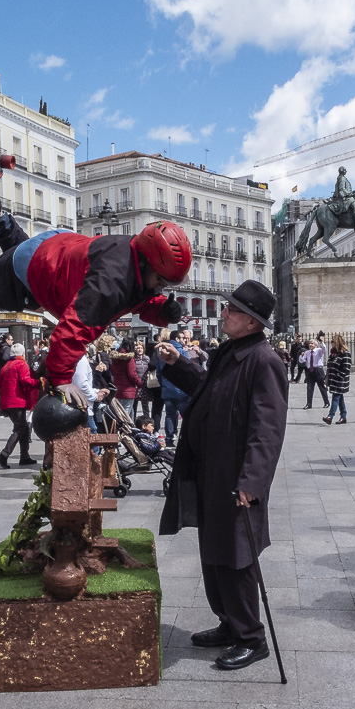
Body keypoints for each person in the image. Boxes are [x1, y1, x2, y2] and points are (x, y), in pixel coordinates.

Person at [158, 280, 288, 671]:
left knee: (237, 557)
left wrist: (252, 482)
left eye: (231, 310)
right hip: (210, 472)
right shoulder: (230, 352)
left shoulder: (263, 360)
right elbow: (206, 391)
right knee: (214, 553)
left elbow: (268, 429)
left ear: (251, 321)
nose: (224, 313)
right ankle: (229, 623)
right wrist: (177, 364)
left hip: (236, 479)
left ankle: (251, 637)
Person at [0, 201, 190, 406]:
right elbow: (72, 331)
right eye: (160, 280)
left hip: (57, 245)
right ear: (145, 264)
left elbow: (137, 298)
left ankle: (0, 215)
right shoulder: (109, 287)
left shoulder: (133, 254)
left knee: (16, 253)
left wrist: (162, 310)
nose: (161, 287)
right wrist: (61, 380)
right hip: (37, 265)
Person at [0, 343, 40, 468]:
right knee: (20, 428)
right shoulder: (21, 364)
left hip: (7, 402)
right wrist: (39, 382)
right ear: (23, 353)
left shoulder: (6, 366)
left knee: (24, 428)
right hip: (17, 401)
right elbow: (25, 381)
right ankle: (4, 455)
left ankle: (24, 456)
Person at [157, 329, 190, 447]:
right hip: (181, 390)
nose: (184, 340)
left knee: (170, 415)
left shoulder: (163, 352)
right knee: (186, 415)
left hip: (167, 389)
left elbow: (158, 373)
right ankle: (186, 438)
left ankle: (169, 439)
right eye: (182, 338)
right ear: (177, 339)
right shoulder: (181, 351)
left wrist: (163, 385)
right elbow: (188, 370)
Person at [110, 337, 142, 419]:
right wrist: (140, 383)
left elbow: (113, 372)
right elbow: (132, 375)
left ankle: (131, 430)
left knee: (129, 413)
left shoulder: (115, 357)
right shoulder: (129, 358)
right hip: (128, 390)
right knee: (125, 415)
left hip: (117, 388)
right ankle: (124, 431)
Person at [323, 334, 352, 425]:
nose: (331, 343)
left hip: (340, 381)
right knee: (340, 398)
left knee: (335, 397)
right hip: (334, 380)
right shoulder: (334, 354)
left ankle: (330, 416)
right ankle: (343, 416)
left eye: (333, 342)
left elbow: (346, 369)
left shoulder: (345, 354)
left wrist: (338, 375)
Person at [301, 339, 329, 409]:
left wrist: (322, 342)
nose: (310, 344)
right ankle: (309, 404)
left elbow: (324, 349)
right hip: (310, 370)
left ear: (315, 345)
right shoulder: (307, 352)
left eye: (312, 343)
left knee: (322, 387)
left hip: (318, 370)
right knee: (309, 388)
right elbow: (302, 360)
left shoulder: (319, 350)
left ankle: (326, 402)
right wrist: (301, 356)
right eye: (310, 343)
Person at [133, 340, 152, 419]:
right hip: (136, 384)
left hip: (145, 384)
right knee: (134, 405)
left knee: (145, 405)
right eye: (137, 348)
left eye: (141, 348)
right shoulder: (133, 359)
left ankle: (147, 420)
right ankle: (133, 421)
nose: (139, 349)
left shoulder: (147, 359)